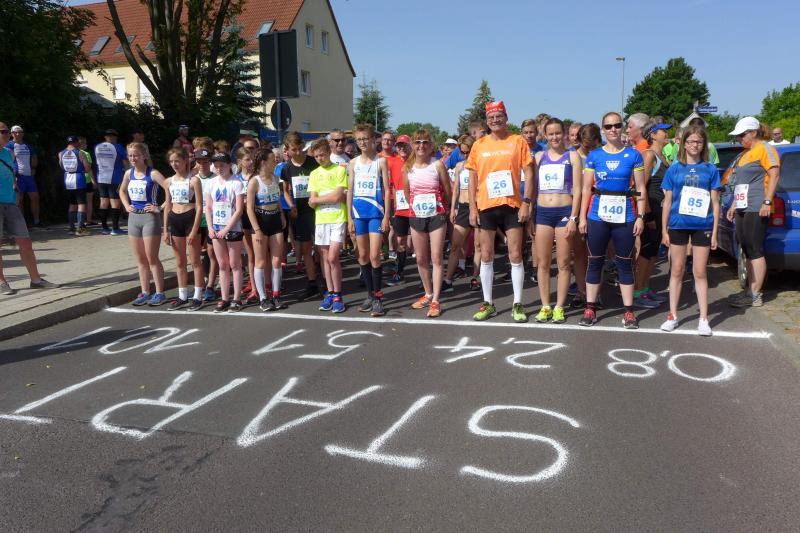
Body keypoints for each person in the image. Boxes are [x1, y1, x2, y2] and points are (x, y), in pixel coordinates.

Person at [467, 101, 534, 322]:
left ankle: (517, 304)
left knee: (515, 255)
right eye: (491, 117)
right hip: (486, 206)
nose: (495, 120)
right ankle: (488, 303)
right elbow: (472, 177)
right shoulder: (479, 145)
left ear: (506, 118)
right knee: (486, 255)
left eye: (499, 116)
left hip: (512, 205)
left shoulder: (518, 141)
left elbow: (529, 172)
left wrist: (527, 202)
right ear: (487, 121)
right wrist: (472, 208)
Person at [578, 111, 647, 329]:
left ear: (622, 127)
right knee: (595, 261)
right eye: (608, 126)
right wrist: (581, 217)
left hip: (625, 215)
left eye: (617, 125)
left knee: (625, 263)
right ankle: (590, 308)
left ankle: (629, 311)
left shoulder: (633, 155)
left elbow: (641, 188)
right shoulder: (595, 156)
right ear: (603, 130)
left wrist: (641, 217)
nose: (613, 129)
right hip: (597, 215)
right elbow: (586, 190)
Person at [660, 126, 721, 335]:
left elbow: (715, 202)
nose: (695, 145)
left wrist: (714, 232)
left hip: (702, 225)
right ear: (683, 143)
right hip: (678, 224)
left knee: (700, 271)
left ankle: (703, 319)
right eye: (691, 141)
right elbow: (668, 202)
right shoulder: (674, 169)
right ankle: (672, 315)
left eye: (699, 142)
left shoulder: (710, 169)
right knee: (677, 270)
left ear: (704, 145)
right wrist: (664, 229)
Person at [726, 116, 781, 308]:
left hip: (757, 206)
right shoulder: (746, 154)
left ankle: (756, 294)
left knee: (755, 249)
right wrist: (734, 204)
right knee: (747, 248)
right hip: (743, 206)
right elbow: (741, 183)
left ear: (754, 132)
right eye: (738, 136)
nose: (739, 139)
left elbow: (774, 174)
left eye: (742, 135)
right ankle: (749, 290)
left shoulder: (766, 149)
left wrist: (767, 201)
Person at [532, 118, 583, 323]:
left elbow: (578, 190)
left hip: (564, 212)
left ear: (564, 134)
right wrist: (530, 215)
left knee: (563, 262)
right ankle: (545, 305)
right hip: (543, 213)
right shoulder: (539, 157)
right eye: (551, 134)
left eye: (558, 133)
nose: (555, 137)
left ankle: (559, 306)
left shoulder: (573, 156)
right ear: (545, 135)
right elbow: (532, 188)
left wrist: (573, 218)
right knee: (543, 262)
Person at [0, 123, 57, 295]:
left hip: (10, 203)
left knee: (25, 242)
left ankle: (36, 280)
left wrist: (15, 187)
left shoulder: (9, 153)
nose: (7, 134)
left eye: (7, 131)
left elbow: (11, 173)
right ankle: (2, 282)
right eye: (3, 132)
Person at [403, 129, 452, 318]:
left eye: (425, 142)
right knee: (421, 259)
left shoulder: (437, 164)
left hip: (436, 216)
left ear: (431, 146)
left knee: (436, 258)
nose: (421, 146)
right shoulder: (408, 167)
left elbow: (447, 190)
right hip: (416, 216)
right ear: (413, 145)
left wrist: (443, 208)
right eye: (417, 142)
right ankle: (428, 293)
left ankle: (436, 300)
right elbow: (407, 193)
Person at [347, 123, 391, 316]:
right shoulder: (353, 163)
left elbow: (387, 190)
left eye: (365, 138)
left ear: (374, 140)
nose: (363, 143)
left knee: (374, 256)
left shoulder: (381, 162)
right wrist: (349, 217)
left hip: (375, 214)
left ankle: (378, 297)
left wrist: (386, 216)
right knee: (362, 256)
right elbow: (350, 191)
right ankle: (370, 296)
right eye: (359, 140)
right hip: (358, 214)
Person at [119, 142, 168, 306]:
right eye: (130, 155)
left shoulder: (153, 173)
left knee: (152, 257)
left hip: (150, 219)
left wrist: (159, 207)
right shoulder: (129, 173)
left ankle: (160, 293)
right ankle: (145, 291)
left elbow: (170, 189)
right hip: (134, 218)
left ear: (144, 156)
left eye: (136, 155)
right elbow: (122, 191)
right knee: (140, 259)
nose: (133, 158)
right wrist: (126, 205)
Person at [633, 121, 672, 309]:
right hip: (651, 211)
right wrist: (646, 215)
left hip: (661, 211)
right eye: (663, 131)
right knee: (645, 253)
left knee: (654, 253)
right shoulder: (649, 155)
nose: (666, 134)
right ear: (653, 135)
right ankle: (637, 292)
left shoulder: (663, 156)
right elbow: (641, 186)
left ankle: (645, 288)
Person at [307, 138, 348, 313]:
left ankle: (338, 295)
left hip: (338, 218)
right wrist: (319, 199)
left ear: (329, 152)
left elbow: (338, 196)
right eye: (316, 156)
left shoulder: (339, 170)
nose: (319, 158)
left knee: (333, 257)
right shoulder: (314, 174)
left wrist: (318, 199)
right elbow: (311, 201)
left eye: (322, 155)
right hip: (321, 219)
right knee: (324, 258)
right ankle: (330, 293)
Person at [163, 148, 205, 311]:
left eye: (177, 161)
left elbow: (200, 206)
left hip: (190, 217)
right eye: (171, 161)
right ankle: (182, 295)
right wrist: (165, 229)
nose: (174, 164)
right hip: (175, 219)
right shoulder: (168, 181)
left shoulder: (193, 180)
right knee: (180, 261)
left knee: (195, 260)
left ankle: (198, 296)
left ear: (185, 161)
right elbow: (168, 205)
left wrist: (194, 229)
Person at [280, 131, 320, 300]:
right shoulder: (286, 168)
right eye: (294, 150)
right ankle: (312, 283)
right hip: (300, 212)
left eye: (300, 148)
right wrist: (291, 205)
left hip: (317, 210)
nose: (297, 152)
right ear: (287, 150)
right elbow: (285, 191)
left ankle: (326, 280)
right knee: (305, 249)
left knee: (322, 248)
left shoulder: (313, 162)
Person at [247, 147, 287, 311]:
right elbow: (249, 208)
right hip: (260, 221)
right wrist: (256, 229)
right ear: (263, 162)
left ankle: (276, 295)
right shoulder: (254, 181)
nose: (275, 162)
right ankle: (263, 298)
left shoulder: (276, 178)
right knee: (261, 261)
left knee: (277, 260)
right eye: (272, 160)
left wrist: (282, 215)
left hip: (275, 219)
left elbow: (277, 200)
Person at [205, 152, 245, 312]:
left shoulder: (236, 183)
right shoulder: (211, 183)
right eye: (216, 165)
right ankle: (224, 298)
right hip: (216, 228)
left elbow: (239, 209)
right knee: (222, 264)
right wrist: (210, 228)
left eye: (222, 165)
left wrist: (227, 228)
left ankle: (237, 298)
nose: (219, 168)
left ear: (229, 165)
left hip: (233, 228)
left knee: (235, 264)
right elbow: (208, 208)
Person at [444, 135, 479, 292]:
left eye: (468, 152)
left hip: (478, 207)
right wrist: (453, 208)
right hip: (463, 208)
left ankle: (475, 278)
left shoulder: (480, 164)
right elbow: (456, 189)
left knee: (479, 246)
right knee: (455, 245)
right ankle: (448, 280)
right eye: (463, 152)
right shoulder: (459, 166)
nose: (465, 155)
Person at [193, 147, 219, 302]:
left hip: (212, 220)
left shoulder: (216, 178)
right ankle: (200, 283)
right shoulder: (192, 179)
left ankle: (210, 285)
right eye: (199, 162)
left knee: (212, 254)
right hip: (196, 220)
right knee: (196, 255)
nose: (202, 164)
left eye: (205, 161)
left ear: (210, 163)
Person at [386, 134, 413, 286]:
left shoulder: (416, 161)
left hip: (416, 208)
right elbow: (390, 187)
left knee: (420, 242)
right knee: (400, 241)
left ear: (410, 146)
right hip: (400, 209)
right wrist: (392, 206)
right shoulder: (392, 162)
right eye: (399, 146)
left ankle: (427, 277)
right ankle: (400, 272)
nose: (402, 148)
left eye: (405, 145)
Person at [235, 147, 259, 305]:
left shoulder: (257, 176)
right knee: (250, 254)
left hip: (257, 215)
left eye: (252, 159)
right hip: (243, 217)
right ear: (239, 162)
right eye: (247, 160)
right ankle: (253, 284)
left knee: (260, 253)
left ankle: (262, 284)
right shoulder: (236, 178)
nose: (250, 162)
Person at [94, 129, 129, 235]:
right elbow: (125, 162)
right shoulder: (118, 147)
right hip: (115, 178)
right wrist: (128, 174)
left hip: (101, 177)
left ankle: (104, 228)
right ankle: (115, 228)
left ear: (105, 137)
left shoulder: (97, 147)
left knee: (103, 202)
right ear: (115, 137)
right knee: (115, 203)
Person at [7, 126, 42, 227]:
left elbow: (34, 156)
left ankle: (37, 221)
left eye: (20, 132)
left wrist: (34, 168)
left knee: (35, 198)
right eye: (15, 132)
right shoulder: (9, 145)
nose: (18, 134)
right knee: (19, 200)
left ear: (22, 133)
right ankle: (22, 224)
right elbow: (7, 159)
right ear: (11, 134)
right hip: (18, 176)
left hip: (29, 176)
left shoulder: (27, 145)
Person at [58, 136, 91, 236]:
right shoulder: (80, 152)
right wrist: (84, 170)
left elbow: (61, 166)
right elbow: (87, 167)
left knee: (72, 204)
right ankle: (80, 229)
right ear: (76, 142)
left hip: (67, 178)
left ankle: (71, 228)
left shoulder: (61, 153)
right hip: (78, 178)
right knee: (81, 204)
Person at [77, 136, 95, 226]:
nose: (86, 145)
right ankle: (88, 220)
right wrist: (93, 180)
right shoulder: (86, 154)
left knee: (79, 202)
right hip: (87, 179)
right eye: (85, 143)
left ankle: (80, 220)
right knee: (89, 201)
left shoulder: (74, 153)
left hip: (76, 180)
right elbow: (89, 168)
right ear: (81, 144)